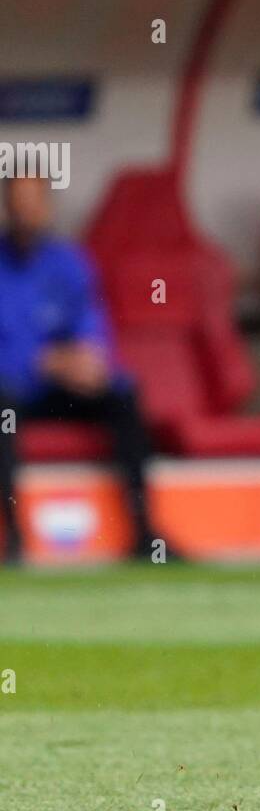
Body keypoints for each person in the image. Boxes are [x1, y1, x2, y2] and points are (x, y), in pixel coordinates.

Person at [0, 176, 168, 566]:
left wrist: (89, 361)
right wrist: (41, 360)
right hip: (16, 391)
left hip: (63, 391)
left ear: (47, 207)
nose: (25, 212)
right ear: (6, 208)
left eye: (33, 202)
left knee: (123, 394)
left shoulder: (69, 261)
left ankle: (145, 534)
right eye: (17, 203)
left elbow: (91, 325)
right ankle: (13, 537)